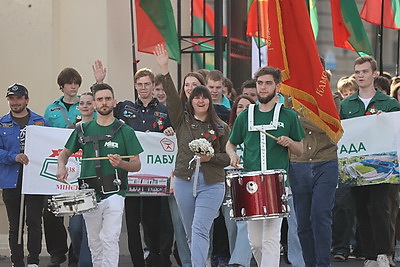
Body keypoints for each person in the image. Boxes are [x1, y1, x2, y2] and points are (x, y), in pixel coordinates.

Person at [155, 44, 231, 267]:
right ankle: (202, 262)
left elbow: (228, 157)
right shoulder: (181, 121)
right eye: (196, 97)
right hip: (184, 181)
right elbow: (170, 99)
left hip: (212, 183)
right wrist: (165, 69)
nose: (200, 101)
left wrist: (211, 159)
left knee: (199, 228)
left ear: (209, 100)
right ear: (190, 100)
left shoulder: (220, 127)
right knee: (190, 233)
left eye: (204, 97)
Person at [93, 60, 172, 267]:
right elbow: (103, 107)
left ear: (153, 86)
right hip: (128, 175)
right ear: (135, 86)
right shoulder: (124, 108)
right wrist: (99, 81)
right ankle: (137, 262)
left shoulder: (164, 111)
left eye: (147, 84)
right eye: (140, 84)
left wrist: (168, 133)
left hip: (154, 178)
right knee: (132, 222)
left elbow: (171, 139)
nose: (143, 88)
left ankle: (154, 256)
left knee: (153, 221)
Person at [56, 83, 143, 267]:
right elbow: (64, 154)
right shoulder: (83, 129)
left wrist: (121, 164)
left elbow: (136, 164)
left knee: (110, 238)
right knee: (94, 242)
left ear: (114, 102)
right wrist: (61, 166)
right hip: (89, 193)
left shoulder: (125, 131)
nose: (104, 102)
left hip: (115, 192)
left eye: (107, 99)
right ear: (94, 103)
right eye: (100, 99)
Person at [226, 66, 305, 267]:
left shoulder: (289, 116)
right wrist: (233, 154)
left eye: (268, 83)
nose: (263, 87)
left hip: (277, 184)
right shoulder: (245, 116)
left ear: (277, 87)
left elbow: (301, 150)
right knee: (256, 242)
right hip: (250, 184)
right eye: (260, 83)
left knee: (271, 239)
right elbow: (231, 143)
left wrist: (290, 142)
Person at [340, 56, 400, 267]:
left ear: (374, 74)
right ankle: (370, 255)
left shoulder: (389, 103)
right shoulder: (346, 104)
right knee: (361, 208)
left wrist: (386, 121)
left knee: (379, 207)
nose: (360, 76)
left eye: (364, 71)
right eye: (357, 72)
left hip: (383, 164)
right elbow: (341, 133)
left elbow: (397, 131)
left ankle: (384, 252)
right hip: (356, 164)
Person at [0, 83, 50, 267]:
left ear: (26, 100)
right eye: (11, 98)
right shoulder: (1, 122)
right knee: (15, 224)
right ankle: (17, 262)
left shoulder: (41, 121)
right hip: (11, 180)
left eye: (19, 98)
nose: (15, 102)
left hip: (35, 179)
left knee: (34, 221)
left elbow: (51, 146)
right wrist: (13, 157)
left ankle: (34, 261)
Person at [44, 67, 83, 267]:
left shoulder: (85, 105)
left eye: (76, 82)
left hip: (79, 165)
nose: (73, 86)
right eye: (69, 83)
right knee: (51, 213)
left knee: (79, 214)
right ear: (62, 86)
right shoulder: (51, 109)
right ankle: (57, 253)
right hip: (56, 164)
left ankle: (75, 253)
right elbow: (44, 137)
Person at [222, 94, 255, 267]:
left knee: (245, 225)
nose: (243, 109)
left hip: (249, 182)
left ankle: (238, 262)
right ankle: (239, 260)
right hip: (228, 182)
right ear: (234, 110)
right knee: (232, 228)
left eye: (248, 106)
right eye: (240, 106)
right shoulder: (226, 130)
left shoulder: (258, 129)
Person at [68, 92, 95, 267]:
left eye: (88, 103)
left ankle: (85, 263)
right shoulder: (72, 129)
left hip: (94, 185)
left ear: (94, 106)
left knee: (89, 229)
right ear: (78, 107)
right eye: (82, 103)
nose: (85, 106)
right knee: (75, 228)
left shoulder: (99, 126)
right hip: (74, 188)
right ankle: (78, 257)